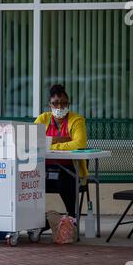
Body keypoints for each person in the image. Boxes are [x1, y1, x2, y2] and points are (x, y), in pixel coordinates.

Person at [35, 84, 89, 219]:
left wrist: (49, 144)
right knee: (25, 180)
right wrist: (62, 139)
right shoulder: (43, 119)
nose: (60, 107)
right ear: (49, 105)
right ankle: (34, 220)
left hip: (69, 167)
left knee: (65, 180)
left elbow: (79, 143)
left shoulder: (76, 120)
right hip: (43, 168)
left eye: (64, 103)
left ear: (68, 104)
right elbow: (33, 140)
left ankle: (71, 218)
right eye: (56, 103)